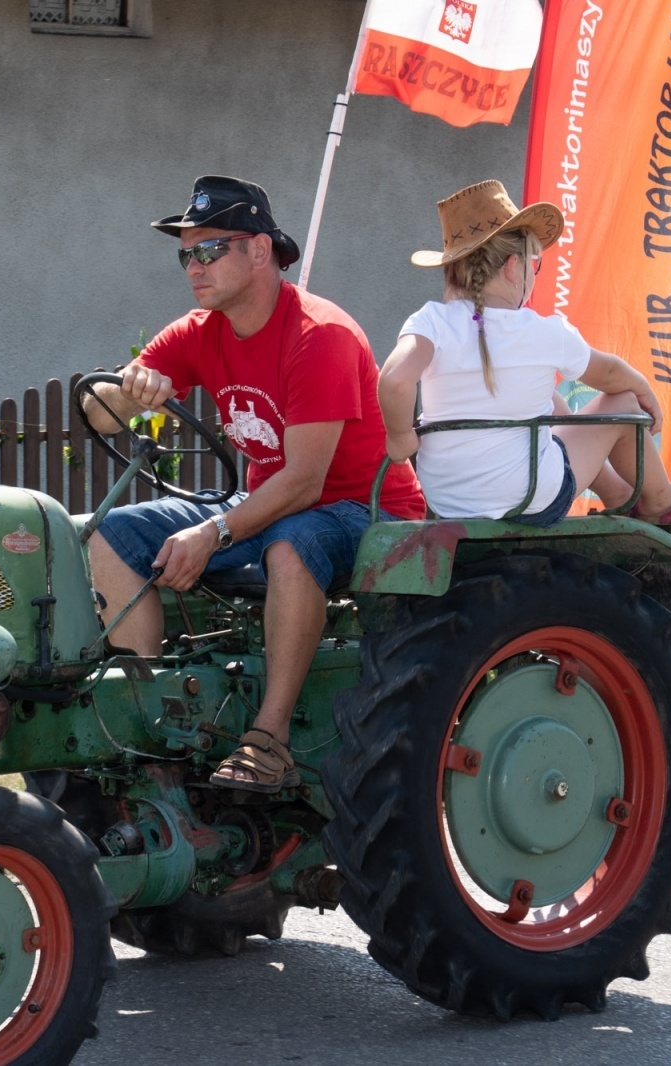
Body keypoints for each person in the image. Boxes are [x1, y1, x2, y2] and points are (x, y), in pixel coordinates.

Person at [84, 175, 426, 793]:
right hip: (268, 503)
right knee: (110, 533)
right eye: (186, 253)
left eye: (211, 249)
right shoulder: (198, 330)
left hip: (363, 509)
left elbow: (303, 482)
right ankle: (154, 723)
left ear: (261, 251)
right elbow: (98, 414)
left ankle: (269, 741)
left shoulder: (320, 336)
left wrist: (212, 533)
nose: (195, 266)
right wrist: (127, 394)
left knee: (292, 543)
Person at [378, 180, 671, 526]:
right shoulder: (544, 332)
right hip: (528, 498)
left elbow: (395, 380)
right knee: (623, 406)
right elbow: (610, 376)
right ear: (514, 267)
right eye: (535, 264)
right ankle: (662, 498)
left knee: (551, 402)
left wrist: (400, 436)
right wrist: (644, 389)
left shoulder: (430, 321)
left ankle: (617, 493)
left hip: (448, 500)